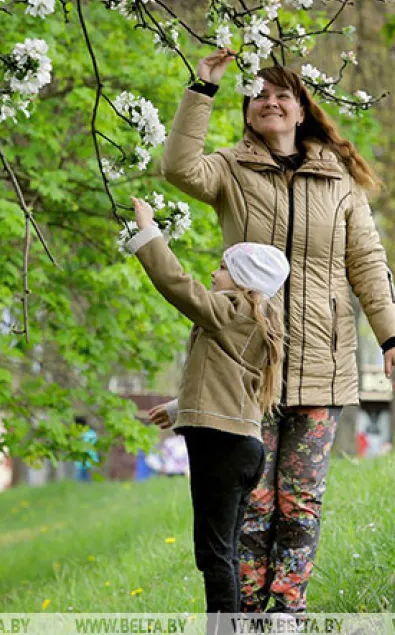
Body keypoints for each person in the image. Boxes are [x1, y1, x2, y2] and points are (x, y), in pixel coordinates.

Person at [161, 49, 395, 614]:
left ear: (301, 109)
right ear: (248, 110)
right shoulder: (229, 168)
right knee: (252, 500)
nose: (270, 102)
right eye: (259, 95)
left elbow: (368, 262)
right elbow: (178, 169)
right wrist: (203, 87)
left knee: (300, 501)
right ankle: (247, 614)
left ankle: (287, 614)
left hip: (324, 364)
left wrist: (393, 338)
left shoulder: (339, 180)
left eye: (282, 95)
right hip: (251, 367)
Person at [124, 195, 289, 621]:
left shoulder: (230, 311)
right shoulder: (259, 321)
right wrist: (182, 408)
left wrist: (148, 231)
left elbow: (177, 285)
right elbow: (231, 382)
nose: (212, 274)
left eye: (221, 267)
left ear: (241, 279)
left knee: (213, 553)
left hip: (221, 448)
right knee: (225, 551)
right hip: (242, 445)